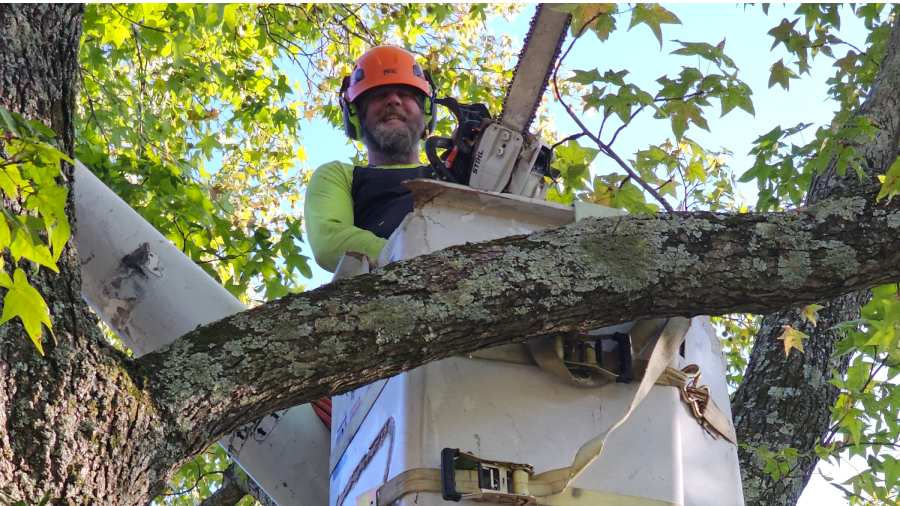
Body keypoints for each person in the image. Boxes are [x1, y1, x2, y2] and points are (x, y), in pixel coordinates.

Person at [304, 45, 438, 272]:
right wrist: (414, 260)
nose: (393, 100)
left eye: (405, 94)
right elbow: (330, 240)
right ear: (356, 116)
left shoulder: (450, 174)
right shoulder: (340, 176)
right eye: (379, 95)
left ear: (426, 113)